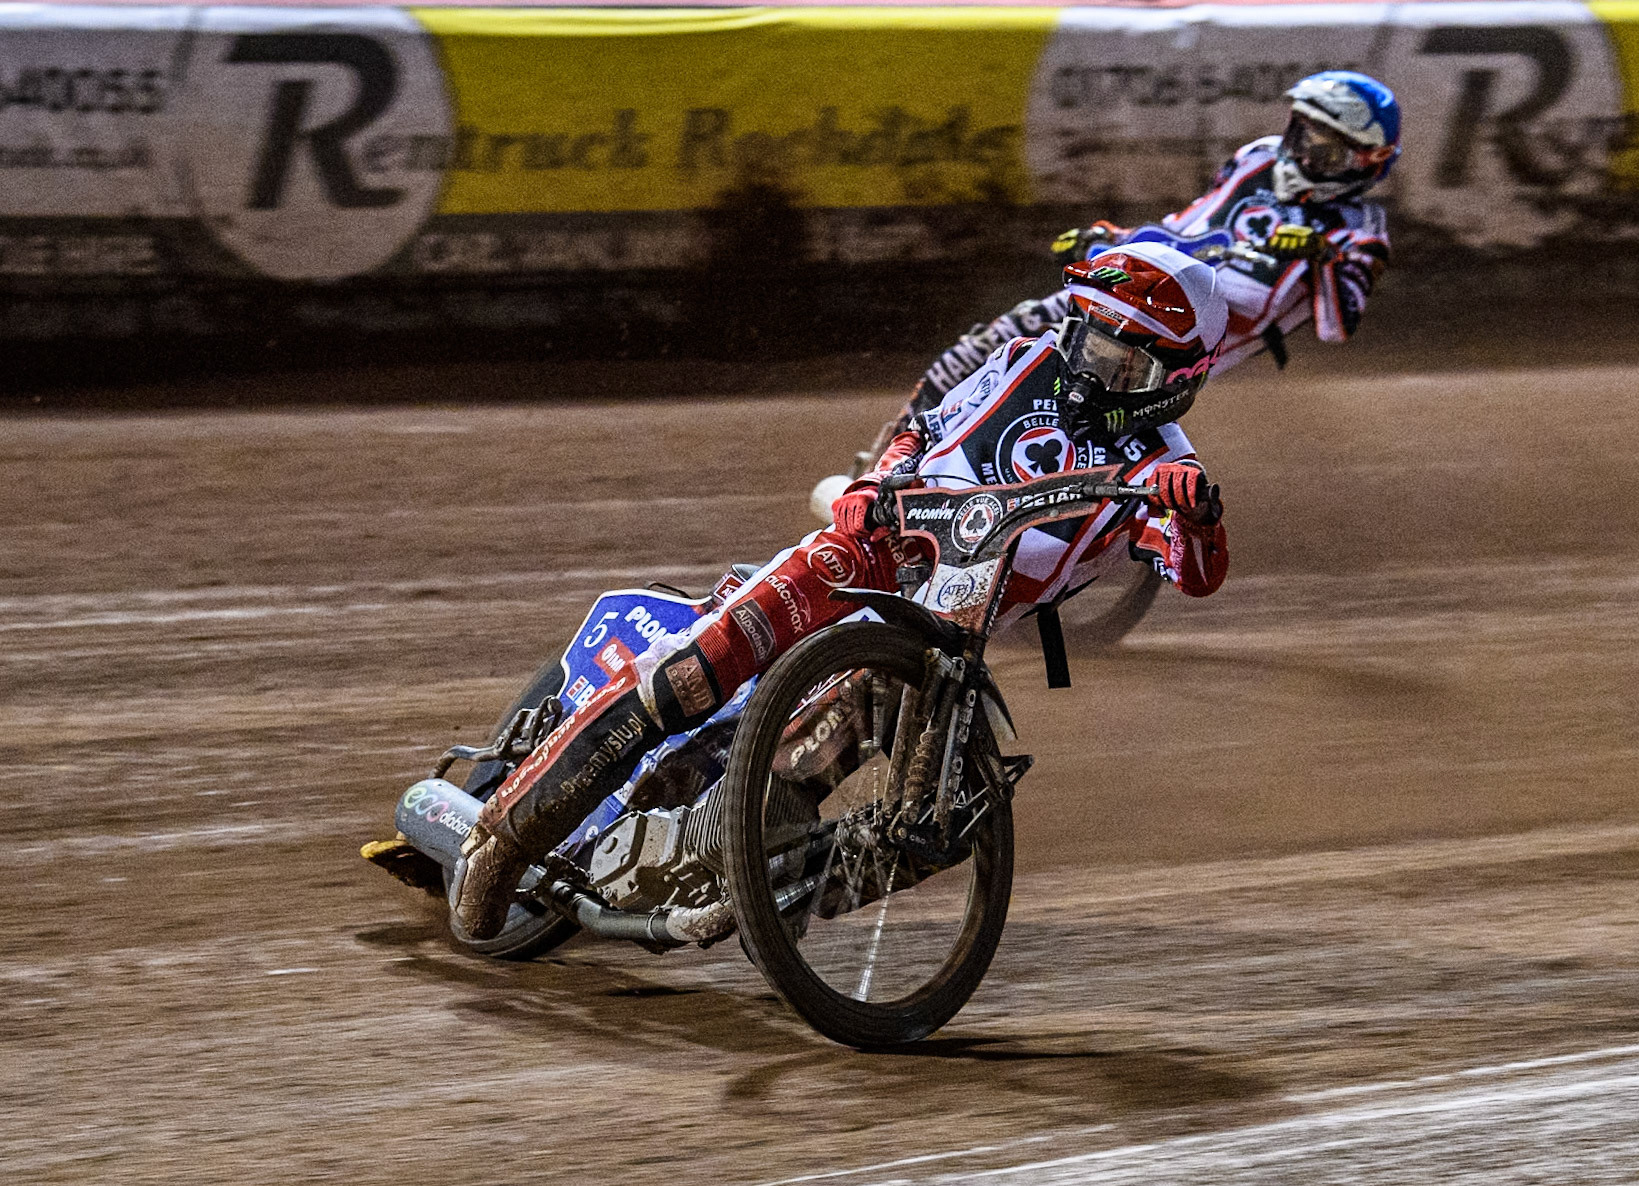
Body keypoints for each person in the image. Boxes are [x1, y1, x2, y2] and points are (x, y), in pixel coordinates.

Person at [450, 240, 1232, 939]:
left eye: (1124, 367)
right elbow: (922, 430)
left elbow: (1197, 576)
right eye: (1093, 344)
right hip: (869, 548)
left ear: (1177, 381)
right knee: (693, 670)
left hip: (933, 638)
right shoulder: (1026, 362)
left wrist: (1198, 518)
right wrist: (875, 481)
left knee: (931, 811)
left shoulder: (1168, 472)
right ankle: (501, 842)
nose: (1094, 373)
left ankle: (761, 895)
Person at [899, 70, 1399, 439]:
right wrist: (1113, 238)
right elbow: (1186, 229)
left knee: (1053, 415)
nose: (1306, 155)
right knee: (988, 345)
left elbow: (1336, 328)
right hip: (1124, 289)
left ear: (1366, 161)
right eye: (1303, 136)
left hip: (1174, 346)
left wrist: (1322, 254)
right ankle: (894, 450)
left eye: (1327, 151)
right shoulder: (1258, 157)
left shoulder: (1361, 230)